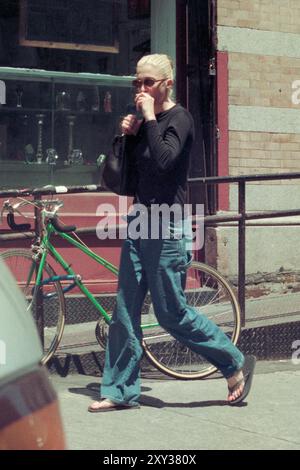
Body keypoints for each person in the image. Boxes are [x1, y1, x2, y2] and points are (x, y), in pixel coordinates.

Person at [88, 54, 256, 412]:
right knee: (124, 308)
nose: (141, 89)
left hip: (167, 223)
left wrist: (149, 119)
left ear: (167, 83)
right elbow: (132, 176)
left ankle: (232, 361)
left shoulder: (180, 119)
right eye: (137, 83)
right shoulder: (144, 122)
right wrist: (128, 137)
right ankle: (118, 390)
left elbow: (166, 162)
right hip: (140, 219)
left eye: (148, 82)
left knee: (171, 313)